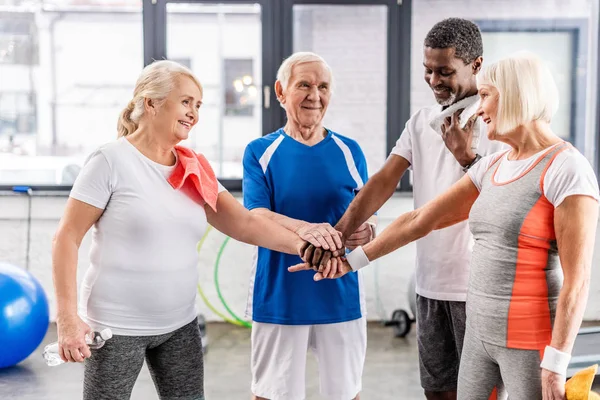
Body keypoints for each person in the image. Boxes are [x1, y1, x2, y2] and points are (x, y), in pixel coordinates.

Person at [295, 52, 600, 400]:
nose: (479, 108)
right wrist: (350, 262)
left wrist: (557, 364)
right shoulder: (494, 166)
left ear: (517, 94)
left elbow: (578, 281)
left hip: (529, 342)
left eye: (486, 95)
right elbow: (420, 219)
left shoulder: (567, 169)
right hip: (478, 338)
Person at [51, 60, 313, 400]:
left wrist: (309, 248)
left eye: (198, 105)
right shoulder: (110, 161)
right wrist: (68, 319)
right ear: (151, 103)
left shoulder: (194, 166)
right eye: (186, 101)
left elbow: (245, 223)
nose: (194, 113)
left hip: (179, 324)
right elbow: (66, 238)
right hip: (116, 326)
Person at [302, 18, 505, 400]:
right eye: (427, 70)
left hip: (478, 289)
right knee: (438, 392)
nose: (433, 80)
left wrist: (466, 157)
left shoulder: (499, 122)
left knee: (483, 394)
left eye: (444, 71)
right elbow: (382, 182)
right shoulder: (422, 121)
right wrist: (337, 236)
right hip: (430, 286)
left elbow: (499, 202)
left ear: (476, 65)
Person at [242, 51, 375, 400]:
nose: (315, 95)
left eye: (323, 86)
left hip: (341, 289)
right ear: (281, 92)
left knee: (346, 393)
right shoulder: (260, 151)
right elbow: (256, 215)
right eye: (304, 85)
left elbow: (367, 209)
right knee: (272, 393)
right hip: (280, 291)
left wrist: (369, 230)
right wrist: (307, 229)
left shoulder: (350, 149)